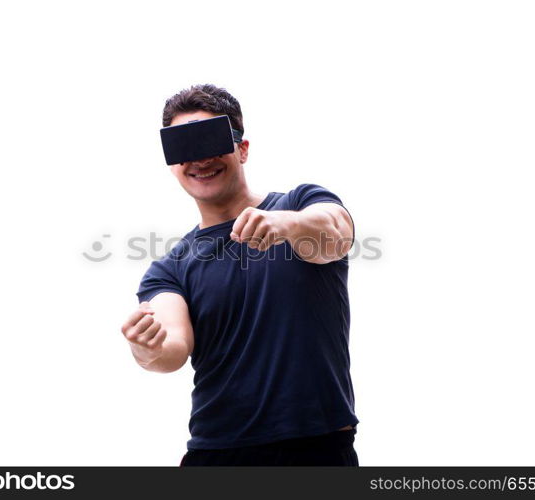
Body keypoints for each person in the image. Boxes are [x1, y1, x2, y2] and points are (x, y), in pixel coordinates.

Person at [120, 84, 359, 466]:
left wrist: (286, 225)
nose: (200, 159)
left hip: (316, 447)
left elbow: (336, 234)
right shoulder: (171, 268)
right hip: (216, 453)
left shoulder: (300, 204)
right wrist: (146, 348)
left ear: (242, 149)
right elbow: (172, 348)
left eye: (211, 141)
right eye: (185, 147)